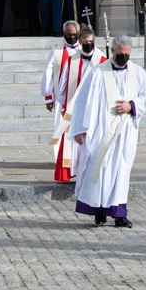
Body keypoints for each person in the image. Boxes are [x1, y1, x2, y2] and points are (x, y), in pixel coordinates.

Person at [70, 34, 146, 227]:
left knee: (121, 171)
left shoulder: (138, 73)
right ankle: (99, 211)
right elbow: (83, 102)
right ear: (113, 51)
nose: (124, 57)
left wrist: (132, 105)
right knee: (98, 169)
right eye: (120, 54)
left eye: (127, 54)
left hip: (125, 133)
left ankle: (119, 214)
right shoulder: (98, 72)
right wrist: (79, 129)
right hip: (100, 130)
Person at [40, 23, 107, 183]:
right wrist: (60, 103)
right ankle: (72, 169)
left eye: (91, 42)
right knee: (72, 141)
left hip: (94, 108)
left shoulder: (102, 60)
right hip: (74, 107)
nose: (88, 45)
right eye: (86, 42)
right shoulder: (70, 59)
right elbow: (62, 85)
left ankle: (91, 172)